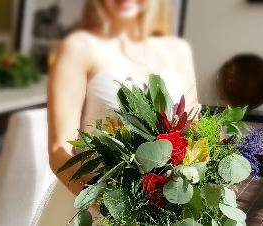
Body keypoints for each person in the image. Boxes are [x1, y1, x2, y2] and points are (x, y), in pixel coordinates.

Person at [44, 0, 198, 224]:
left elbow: (194, 133)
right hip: (98, 211)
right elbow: (59, 152)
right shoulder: (79, 48)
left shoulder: (179, 51)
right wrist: (122, 212)